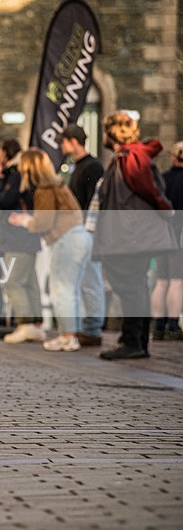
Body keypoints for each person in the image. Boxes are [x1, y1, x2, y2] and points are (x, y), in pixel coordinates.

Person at [92, 112, 176, 360]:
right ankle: (135, 340)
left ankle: (134, 341)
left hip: (130, 234)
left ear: (112, 132)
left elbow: (148, 188)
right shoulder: (127, 156)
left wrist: (165, 208)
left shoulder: (131, 157)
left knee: (130, 286)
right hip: (129, 233)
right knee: (133, 285)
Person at [8, 148, 91, 351]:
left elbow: (43, 223)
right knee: (71, 289)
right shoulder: (57, 184)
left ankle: (67, 336)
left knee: (61, 290)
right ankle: (70, 333)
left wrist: (24, 221)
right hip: (79, 236)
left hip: (65, 239)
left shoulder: (44, 189)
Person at [0, 139, 44, 343]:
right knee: (30, 281)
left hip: (18, 236)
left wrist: (1, 178)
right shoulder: (26, 175)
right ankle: (36, 324)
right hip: (28, 235)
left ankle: (25, 324)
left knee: (13, 281)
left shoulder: (15, 174)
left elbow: (4, 200)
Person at [60, 124, 106, 346]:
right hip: (77, 230)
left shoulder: (92, 166)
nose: (61, 146)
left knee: (91, 280)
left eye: (64, 141)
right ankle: (88, 326)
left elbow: (92, 202)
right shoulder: (75, 166)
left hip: (88, 230)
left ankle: (93, 327)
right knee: (83, 280)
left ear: (73, 141)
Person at [150, 141, 183, 340]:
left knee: (161, 282)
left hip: (162, 236)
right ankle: (173, 325)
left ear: (173, 156)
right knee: (177, 282)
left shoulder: (162, 179)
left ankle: (158, 326)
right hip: (179, 238)